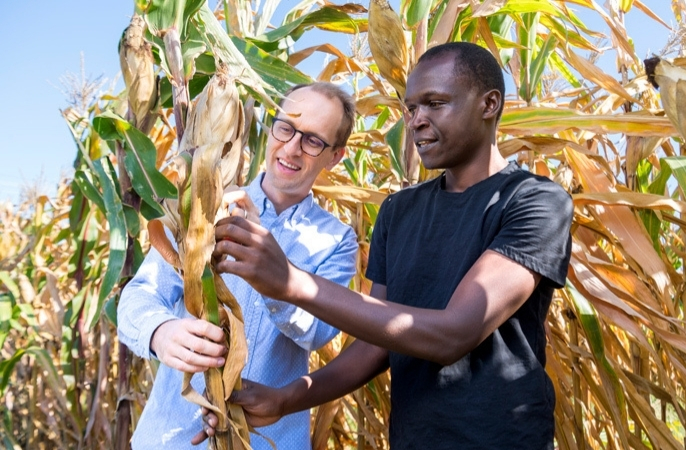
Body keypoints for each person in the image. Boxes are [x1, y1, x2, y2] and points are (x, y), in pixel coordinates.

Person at [206, 42, 573, 449]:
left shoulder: (534, 201)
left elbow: (454, 334)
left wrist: (291, 283)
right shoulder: (399, 211)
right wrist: (287, 398)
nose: (416, 121)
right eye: (411, 108)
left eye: (435, 104)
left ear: (489, 104)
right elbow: (375, 344)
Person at [117, 82, 360, 449]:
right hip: (172, 437)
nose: (292, 147)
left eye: (313, 140)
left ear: (335, 156)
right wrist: (160, 332)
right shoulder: (205, 205)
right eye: (286, 128)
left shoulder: (337, 240)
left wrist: (273, 274)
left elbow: (317, 332)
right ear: (271, 125)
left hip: (268, 440)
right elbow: (138, 295)